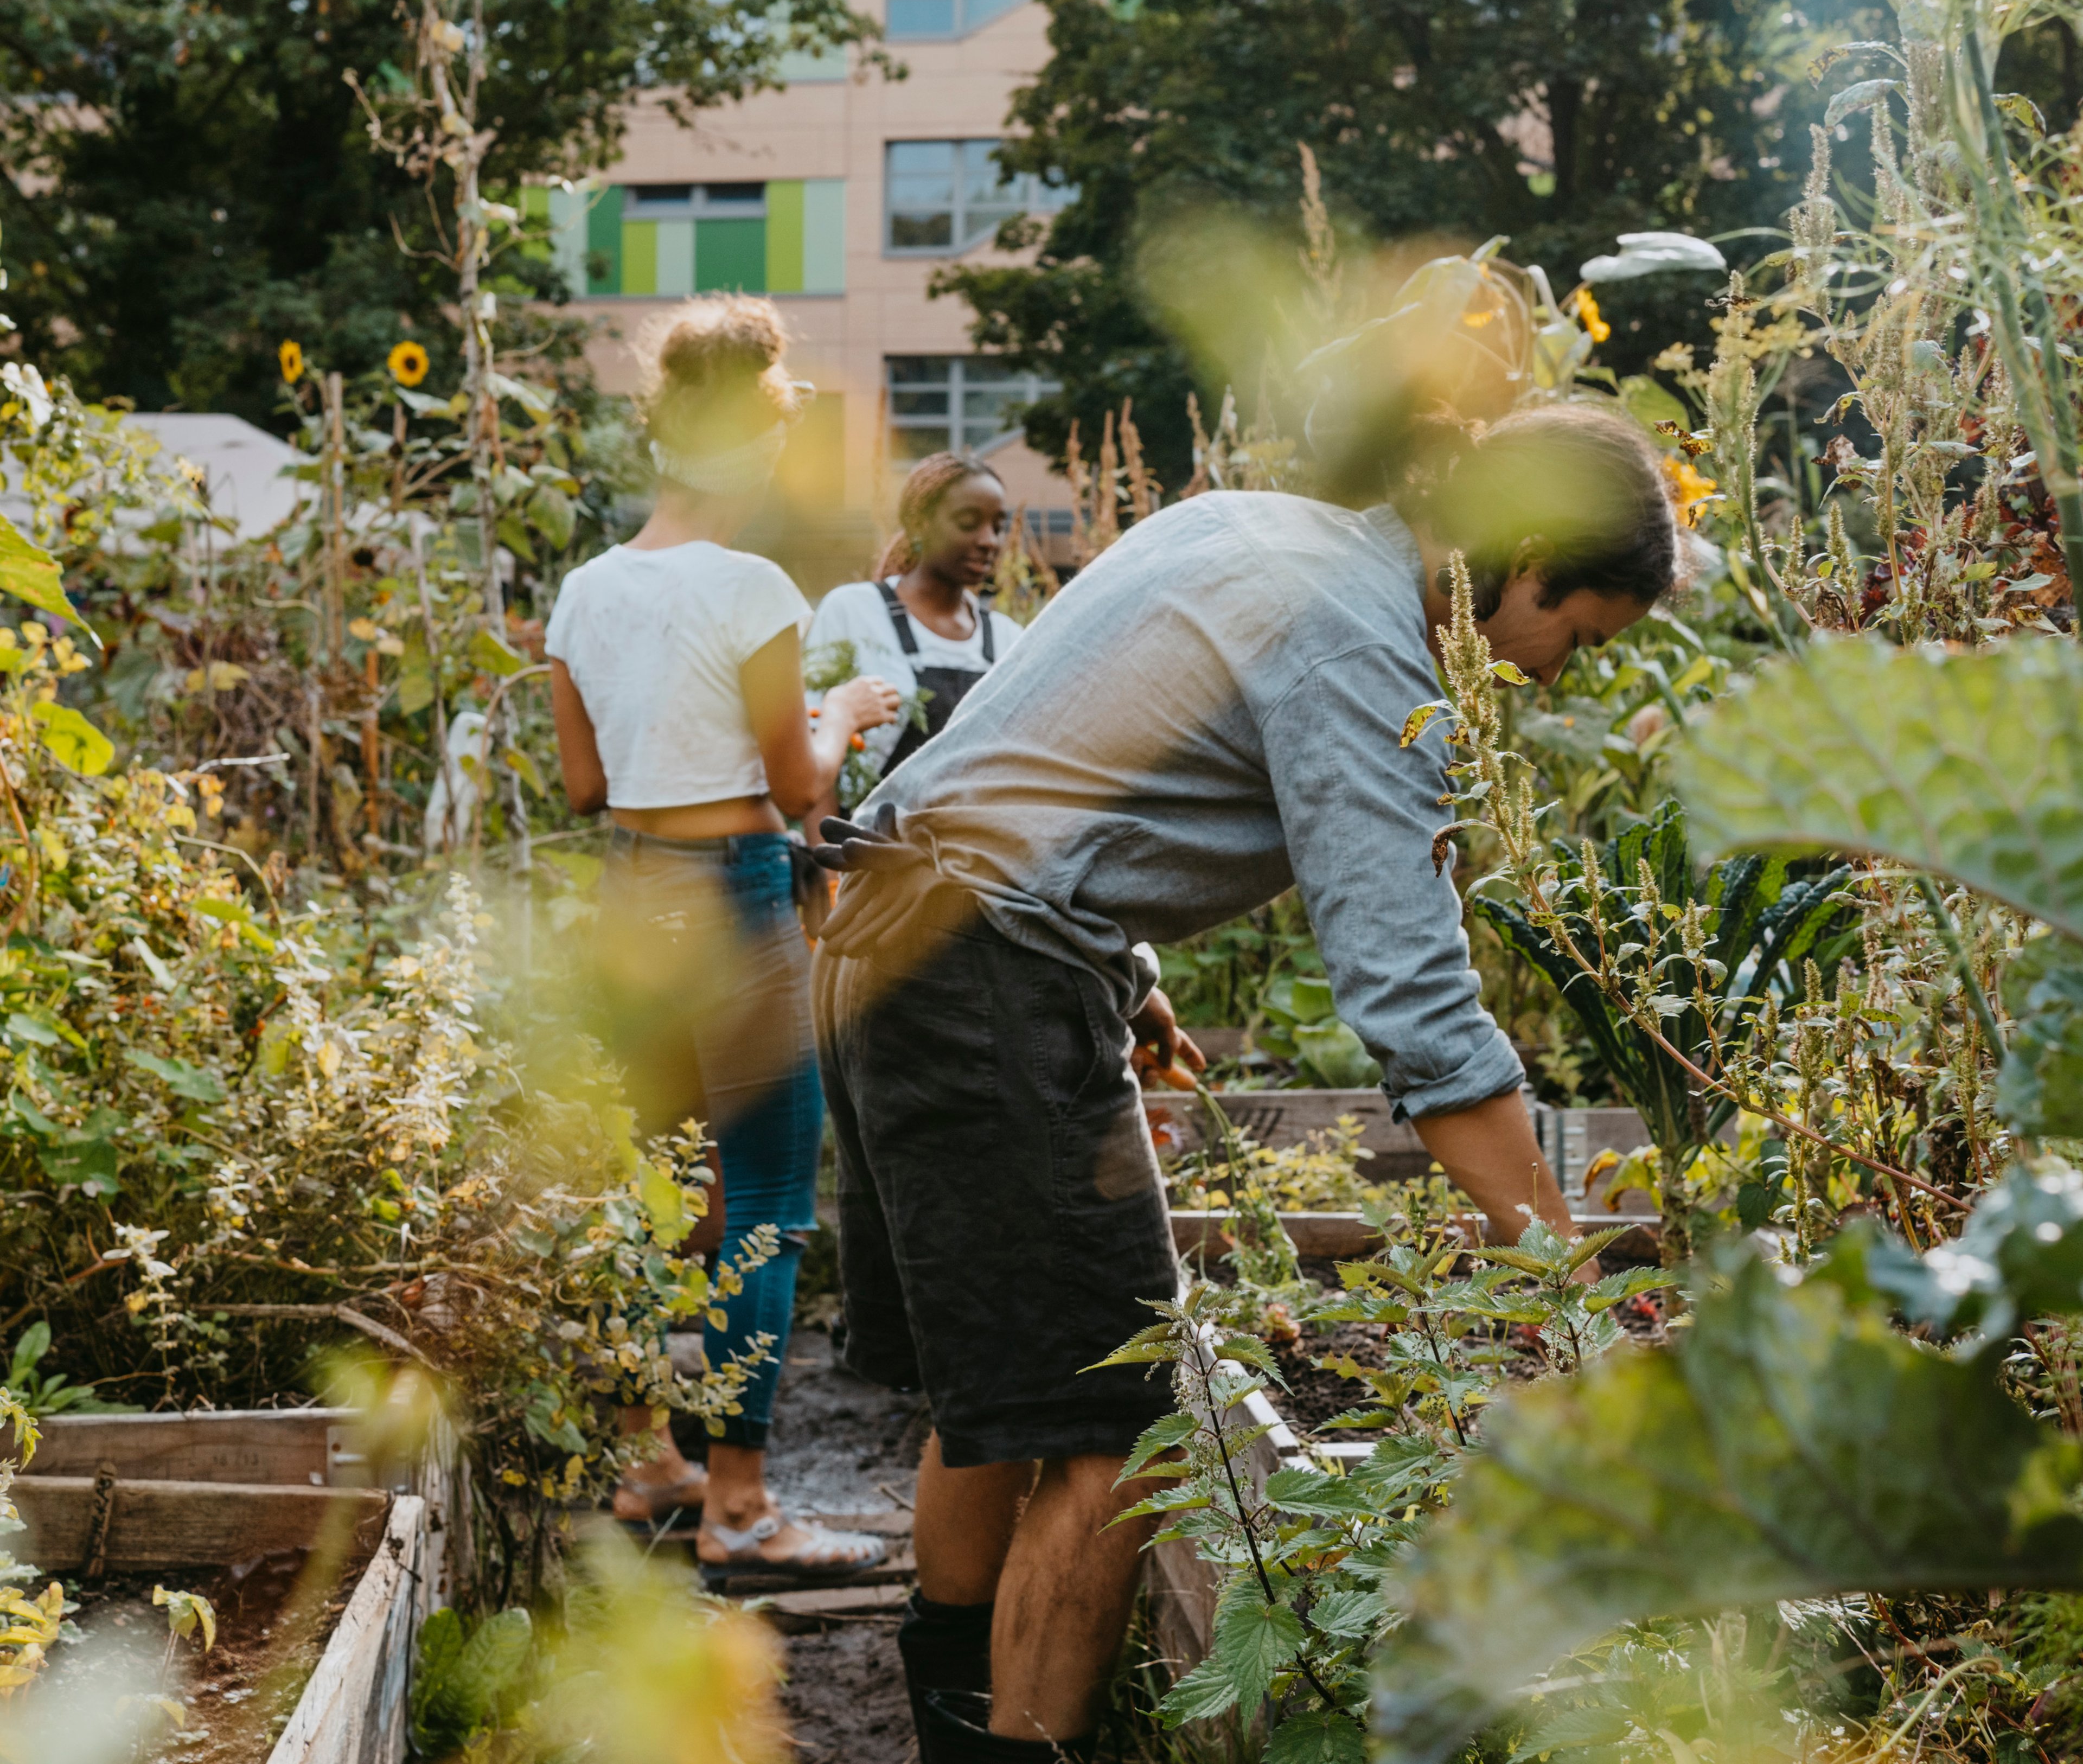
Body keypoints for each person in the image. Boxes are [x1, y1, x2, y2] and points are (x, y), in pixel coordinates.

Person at [809, 401, 1681, 1761]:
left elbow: (1045, 736)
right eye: (1577, 638)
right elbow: (1415, 1006)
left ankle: (954, 1723)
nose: (1559, 676)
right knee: (1121, 1423)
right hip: (986, 974)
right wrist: (1565, 1290)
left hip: (901, 931)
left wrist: (1128, 969)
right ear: (1520, 553)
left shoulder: (1264, 530)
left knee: (999, 1399)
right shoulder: (1364, 649)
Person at [545, 291, 900, 1584]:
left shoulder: (583, 592)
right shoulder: (754, 586)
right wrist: (845, 710)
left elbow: (586, 787)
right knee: (758, 1207)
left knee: (657, 1198)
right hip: (736, 895)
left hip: (629, 894)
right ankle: (741, 1507)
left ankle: (650, 1457)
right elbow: (801, 786)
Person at [803, 453, 1025, 833]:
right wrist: (827, 870)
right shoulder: (855, 611)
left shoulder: (1008, 639)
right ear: (919, 523)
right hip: (864, 852)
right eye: (968, 523)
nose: (989, 541)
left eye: (998, 526)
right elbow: (813, 739)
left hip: (973, 860)